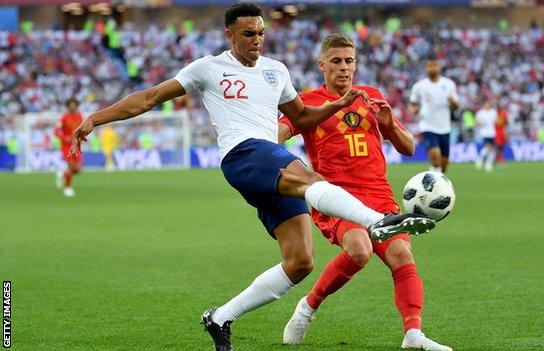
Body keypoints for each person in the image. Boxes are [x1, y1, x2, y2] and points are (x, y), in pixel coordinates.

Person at [69, 3, 435, 351]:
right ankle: (380, 221)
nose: (256, 40)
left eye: (260, 32)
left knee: (300, 262)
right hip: (243, 154)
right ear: (230, 34)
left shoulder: (276, 70)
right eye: (248, 34)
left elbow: (303, 117)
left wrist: (335, 106)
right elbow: (148, 97)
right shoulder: (208, 68)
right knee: (310, 178)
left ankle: (220, 317)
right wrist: (96, 118)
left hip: (270, 163)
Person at [278, 33, 451, 351]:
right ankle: (308, 307)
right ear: (321, 65)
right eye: (336, 61)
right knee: (359, 250)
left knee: (401, 255)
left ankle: (413, 334)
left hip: (379, 194)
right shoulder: (307, 103)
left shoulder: (371, 96)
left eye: (349, 61)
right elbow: (275, 136)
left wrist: (390, 124)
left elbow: (409, 146)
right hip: (336, 196)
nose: (344, 68)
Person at [409, 59, 459, 173]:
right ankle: (433, 180)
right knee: (435, 157)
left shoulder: (448, 84)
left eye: (434, 66)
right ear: (426, 69)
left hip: (444, 127)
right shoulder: (419, 86)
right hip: (428, 125)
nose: (432, 69)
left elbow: (456, 106)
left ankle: (436, 178)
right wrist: (414, 110)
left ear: (439, 67)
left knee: (444, 164)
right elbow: (413, 103)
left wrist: (453, 102)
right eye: (430, 66)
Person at [54, 97, 83, 197]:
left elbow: (82, 129)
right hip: (67, 146)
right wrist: (63, 137)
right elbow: (56, 131)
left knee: (78, 169)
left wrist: (82, 137)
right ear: (68, 106)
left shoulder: (79, 116)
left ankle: (62, 174)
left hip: (77, 145)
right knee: (71, 167)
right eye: (70, 105)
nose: (72, 107)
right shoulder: (64, 118)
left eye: (74, 104)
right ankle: (68, 188)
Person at [474, 100, 498, 172]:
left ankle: (488, 163)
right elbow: (476, 122)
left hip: (492, 132)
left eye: (489, 104)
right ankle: (480, 160)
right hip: (484, 133)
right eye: (486, 104)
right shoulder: (480, 113)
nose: (488, 105)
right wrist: (481, 124)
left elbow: (496, 121)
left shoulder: (493, 112)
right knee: (488, 147)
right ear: (484, 105)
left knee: (492, 149)